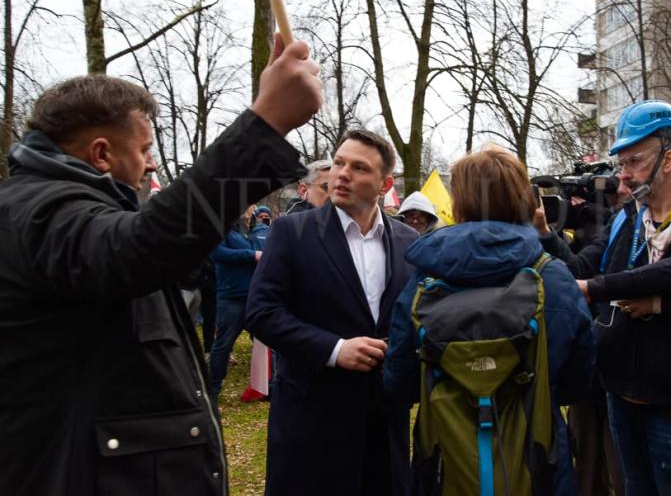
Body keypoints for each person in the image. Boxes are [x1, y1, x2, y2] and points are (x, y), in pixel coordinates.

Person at [0, 34, 321, 495]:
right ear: (101, 154)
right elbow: (142, 249)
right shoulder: (38, 212)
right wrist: (265, 124)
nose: (153, 166)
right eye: (146, 148)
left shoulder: (68, 211)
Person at [538, 100, 671, 495]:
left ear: (669, 159)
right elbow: (578, 272)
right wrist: (543, 234)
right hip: (622, 398)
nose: (624, 174)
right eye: (621, 163)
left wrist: (660, 305)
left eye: (634, 161)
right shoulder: (626, 220)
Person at [384, 148, 595, 495]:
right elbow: (579, 381)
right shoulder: (552, 277)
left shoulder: (424, 280)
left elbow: (399, 381)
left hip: (444, 465)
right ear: (521, 199)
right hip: (539, 465)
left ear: (461, 204)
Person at [245, 130, 419, 495]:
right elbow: (262, 312)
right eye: (339, 162)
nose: (342, 174)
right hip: (313, 417)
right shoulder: (291, 232)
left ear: (384, 183)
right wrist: (335, 350)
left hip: (384, 423)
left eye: (359, 167)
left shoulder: (409, 242)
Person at [208, 204, 269, 400]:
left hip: (254, 298)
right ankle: (213, 390)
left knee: (267, 344)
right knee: (223, 345)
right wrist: (251, 256)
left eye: (251, 206)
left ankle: (267, 388)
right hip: (231, 297)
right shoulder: (221, 229)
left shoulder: (254, 232)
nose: (248, 209)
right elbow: (217, 254)